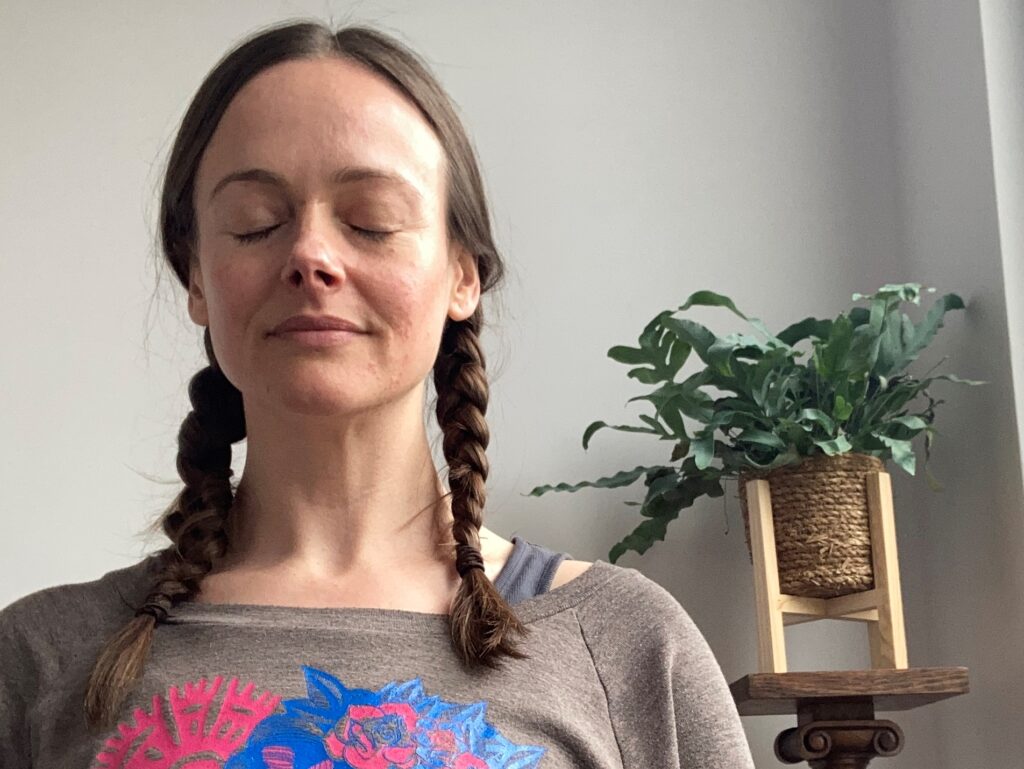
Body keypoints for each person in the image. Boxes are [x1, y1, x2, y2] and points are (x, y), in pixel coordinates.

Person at [0, 19, 755, 769]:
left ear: (463, 273)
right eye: (256, 224)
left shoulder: (624, 643)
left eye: (372, 221)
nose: (310, 255)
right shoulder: (39, 659)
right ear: (196, 276)